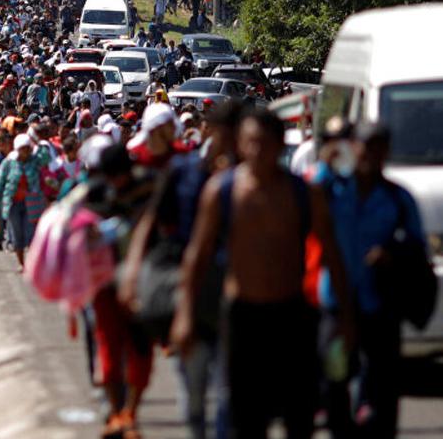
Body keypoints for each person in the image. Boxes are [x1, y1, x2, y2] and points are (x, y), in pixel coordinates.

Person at [172, 110, 353, 439]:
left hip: (292, 316)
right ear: (240, 144)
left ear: (280, 145)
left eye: (265, 143)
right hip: (243, 317)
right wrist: (185, 316)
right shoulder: (222, 191)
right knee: (246, 419)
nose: (258, 151)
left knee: (299, 417)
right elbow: (196, 257)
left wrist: (345, 316)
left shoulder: (303, 193)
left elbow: (332, 255)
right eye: (251, 143)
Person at [118, 102, 244, 439]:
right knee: (194, 393)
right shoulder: (183, 172)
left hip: (241, 300)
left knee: (231, 394)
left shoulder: (262, 183)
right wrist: (134, 274)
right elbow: (150, 222)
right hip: (189, 293)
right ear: (209, 134)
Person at [313, 122, 426, 438]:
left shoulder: (398, 199)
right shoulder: (333, 189)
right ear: (353, 147)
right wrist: (327, 161)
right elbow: (309, 196)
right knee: (334, 389)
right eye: (365, 145)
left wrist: (392, 253)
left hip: (380, 314)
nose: (371, 153)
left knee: (381, 403)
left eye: (379, 146)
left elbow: (416, 249)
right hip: (336, 311)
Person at [0, 133, 52, 270]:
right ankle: (22, 264)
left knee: (31, 235)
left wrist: (36, 141)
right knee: (17, 236)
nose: (26, 152)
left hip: (32, 204)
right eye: (23, 149)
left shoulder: (35, 161)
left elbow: (46, 156)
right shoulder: (8, 164)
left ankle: (33, 264)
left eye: (28, 148)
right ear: (17, 149)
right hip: (12, 205)